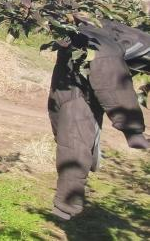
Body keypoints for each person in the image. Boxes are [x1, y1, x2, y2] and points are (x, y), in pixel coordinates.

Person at [49, 18, 150, 221]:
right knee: (74, 145)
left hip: (73, 91)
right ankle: (65, 207)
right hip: (75, 94)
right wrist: (133, 131)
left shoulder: (97, 35)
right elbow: (113, 87)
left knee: (73, 144)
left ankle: (65, 207)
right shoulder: (104, 49)